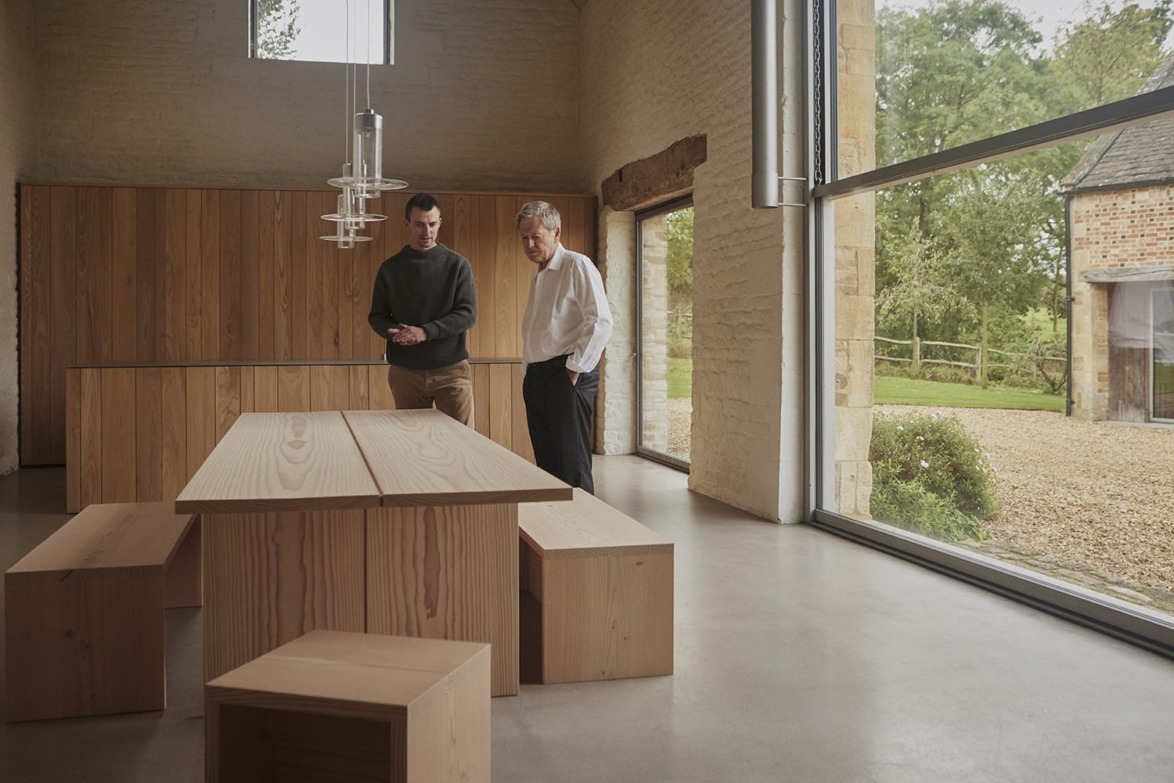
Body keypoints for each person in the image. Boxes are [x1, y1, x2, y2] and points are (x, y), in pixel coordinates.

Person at [517, 200, 613, 493]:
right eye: (524, 237)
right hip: (537, 376)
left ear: (556, 233)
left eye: (537, 236)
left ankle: (583, 532)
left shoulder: (577, 265)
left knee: (572, 465)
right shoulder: (540, 272)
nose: (530, 244)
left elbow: (600, 321)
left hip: (565, 375)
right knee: (546, 461)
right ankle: (554, 528)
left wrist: (573, 370)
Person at [368, 193, 477, 425]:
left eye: (432, 224)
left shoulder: (458, 265)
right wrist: (393, 332)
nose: (426, 232)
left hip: (451, 371)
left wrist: (425, 331)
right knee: (412, 445)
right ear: (407, 224)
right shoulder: (390, 268)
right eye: (419, 224)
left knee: (463, 444)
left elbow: (467, 314)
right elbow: (377, 315)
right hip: (405, 372)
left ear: (440, 223)